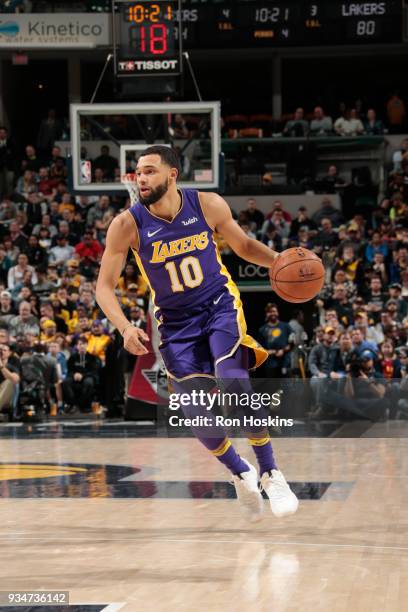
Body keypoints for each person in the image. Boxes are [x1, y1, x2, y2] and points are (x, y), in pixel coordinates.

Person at [96, 145, 298, 520]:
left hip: (218, 305)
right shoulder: (127, 224)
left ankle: (271, 471)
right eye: (138, 172)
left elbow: (243, 245)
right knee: (198, 415)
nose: (141, 178)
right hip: (175, 324)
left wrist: (280, 261)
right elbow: (103, 287)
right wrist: (123, 326)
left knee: (233, 380)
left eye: (150, 171)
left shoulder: (206, 204)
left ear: (172, 174)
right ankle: (241, 472)